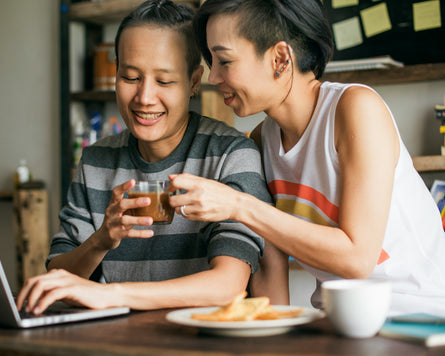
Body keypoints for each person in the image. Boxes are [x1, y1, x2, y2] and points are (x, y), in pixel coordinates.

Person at [167, 0, 445, 316]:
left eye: (225, 61)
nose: (213, 77)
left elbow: (357, 259)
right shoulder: (260, 140)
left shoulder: (355, 109)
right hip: (335, 321)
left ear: (281, 59)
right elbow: (270, 268)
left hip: (419, 319)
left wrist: (238, 204)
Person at [16, 0, 271, 314]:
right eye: (130, 77)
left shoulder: (231, 155)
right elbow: (62, 281)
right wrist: (101, 240)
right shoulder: (97, 161)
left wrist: (113, 295)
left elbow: (227, 286)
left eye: (164, 81)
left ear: (193, 81)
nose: (145, 98)